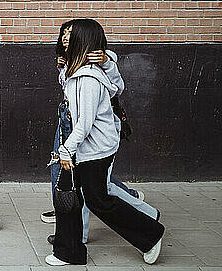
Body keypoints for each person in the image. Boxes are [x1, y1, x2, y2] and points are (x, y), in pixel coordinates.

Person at [46, 19, 164, 266]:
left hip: (94, 149)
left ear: (84, 41)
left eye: (71, 35)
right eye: (64, 35)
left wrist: (66, 149)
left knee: (98, 200)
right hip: (91, 146)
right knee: (73, 194)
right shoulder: (77, 72)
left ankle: (150, 234)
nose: (65, 39)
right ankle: (68, 250)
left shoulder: (87, 79)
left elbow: (84, 123)